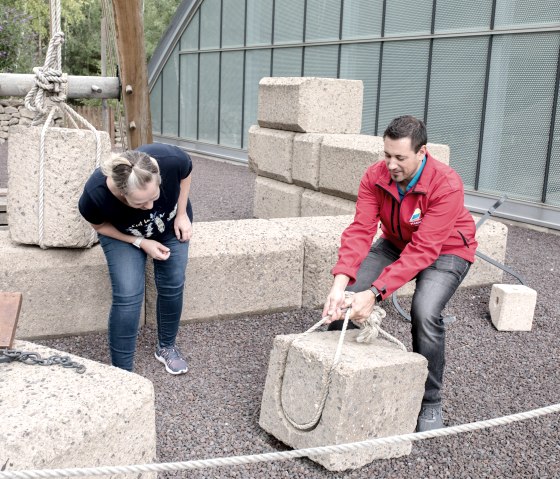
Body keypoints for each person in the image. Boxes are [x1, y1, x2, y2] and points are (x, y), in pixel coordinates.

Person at [322, 115, 477, 432]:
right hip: (395, 241)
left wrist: (375, 294)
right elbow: (359, 232)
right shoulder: (374, 176)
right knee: (350, 294)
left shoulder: (446, 184)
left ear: (422, 152)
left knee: (425, 311)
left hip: (446, 249)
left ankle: (430, 400)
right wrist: (340, 285)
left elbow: (423, 251)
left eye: (400, 158)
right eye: (387, 155)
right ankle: (330, 373)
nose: (391, 165)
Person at [78, 143, 193, 375]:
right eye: (140, 203)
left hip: (170, 225)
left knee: (173, 282)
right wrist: (140, 242)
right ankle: (122, 372)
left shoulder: (170, 159)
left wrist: (181, 215)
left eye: (154, 196)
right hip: (123, 235)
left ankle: (167, 347)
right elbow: (100, 226)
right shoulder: (95, 195)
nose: (150, 206)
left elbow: (186, 173)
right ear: (121, 194)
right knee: (128, 294)